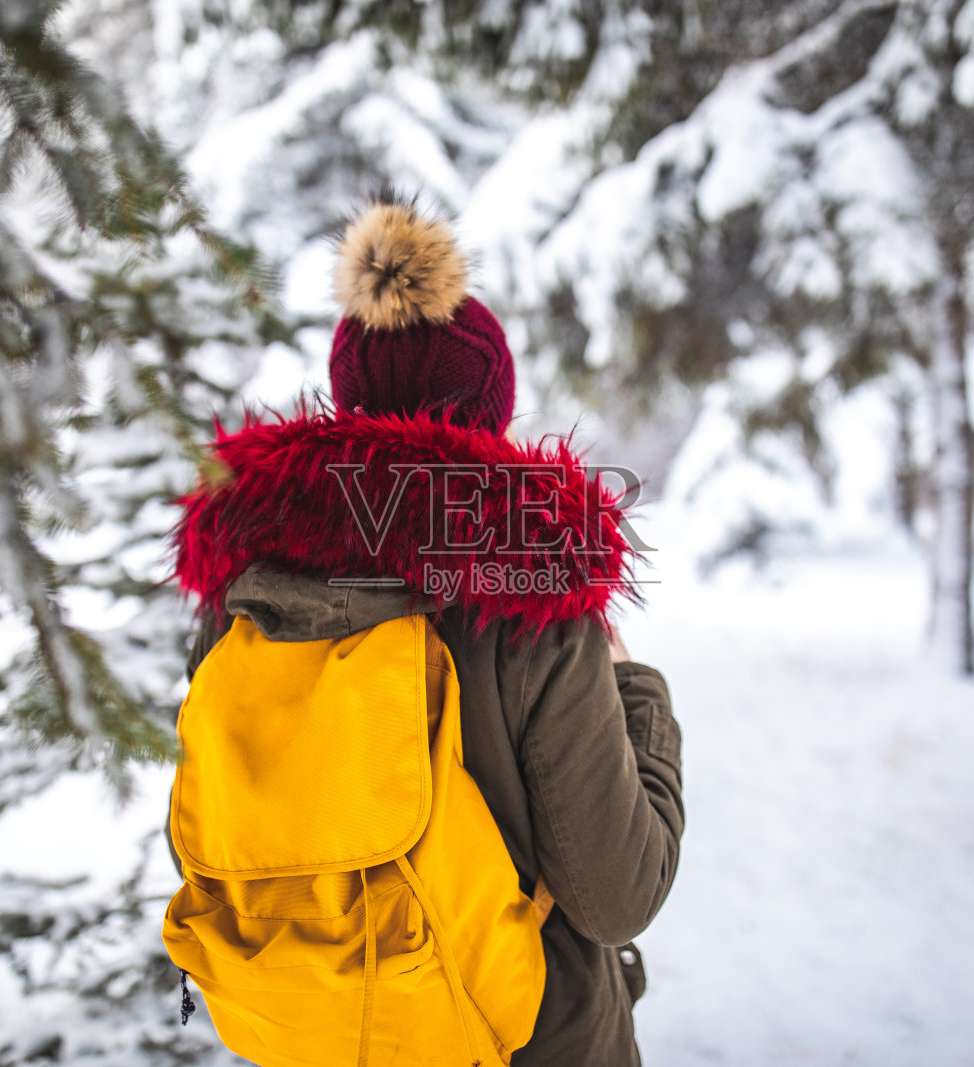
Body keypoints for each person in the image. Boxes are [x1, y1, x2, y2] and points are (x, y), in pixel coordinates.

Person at [169, 196, 684, 1065]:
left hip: (320, 1037)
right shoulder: (532, 606)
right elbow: (617, 893)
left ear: (344, 403)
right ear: (491, 410)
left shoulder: (244, 596)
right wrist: (638, 696)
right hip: (524, 1038)